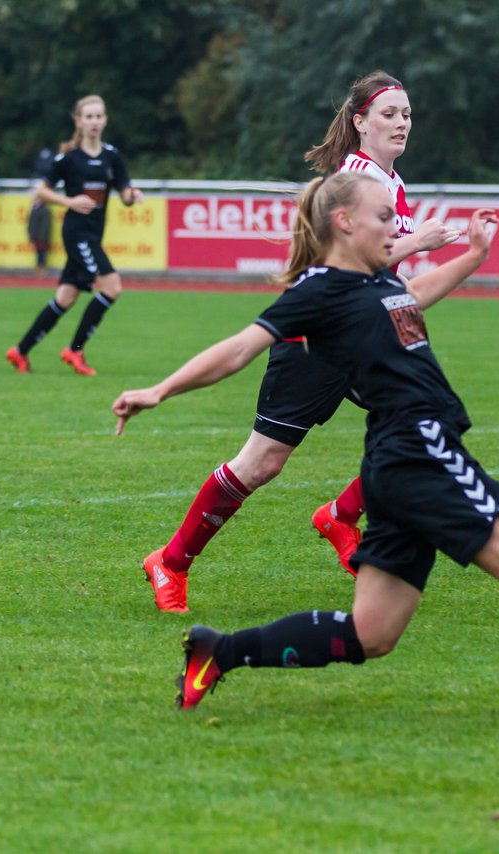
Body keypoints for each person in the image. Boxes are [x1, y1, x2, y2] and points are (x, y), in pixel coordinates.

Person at [113, 172, 499, 732]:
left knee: (371, 633)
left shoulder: (376, 281)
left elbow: (416, 296)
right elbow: (239, 349)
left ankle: (220, 652)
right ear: (344, 222)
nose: (395, 227)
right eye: (384, 217)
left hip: (395, 461)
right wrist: (158, 390)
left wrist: (474, 256)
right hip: (419, 449)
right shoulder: (319, 290)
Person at [140, 70, 459, 614]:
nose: (402, 123)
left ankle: (340, 515)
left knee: (432, 424)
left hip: (365, 336)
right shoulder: (354, 181)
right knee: (262, 463)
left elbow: (383, 282)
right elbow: (353, 263)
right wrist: (419, 241)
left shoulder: (392, 182)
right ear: (360, 122)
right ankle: (170, 561)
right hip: (317, 339)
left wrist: (456, 261)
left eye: (407, 114)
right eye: (389, 114)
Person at [5, 95, 143, 376]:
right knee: (112, 288)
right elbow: (40, 191)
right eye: (88, 117)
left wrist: (132, 195)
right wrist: (69, 202)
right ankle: (75, 350)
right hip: (78, 233)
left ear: (105, 120)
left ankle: (20, 351)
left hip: (94, 233)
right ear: (78, 121)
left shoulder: (111, 156)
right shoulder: (68, 158)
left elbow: (124, 192)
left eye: (98, 116)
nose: (93, 122)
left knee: (65, 298)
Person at [27, 147, 56, 274]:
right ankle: (38, 267)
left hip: (41, 237)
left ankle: (41, 268)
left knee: (41, 254)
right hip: (37, 236)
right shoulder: (35, 208)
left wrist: (42, 236)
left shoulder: (44, 210)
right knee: (38, 253)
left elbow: (44, 225)